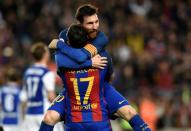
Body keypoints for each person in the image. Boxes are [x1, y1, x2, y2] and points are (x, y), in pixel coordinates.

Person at [41, 4, 151, 131]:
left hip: (100, 86)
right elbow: (63, 62)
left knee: (130, 112)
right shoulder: (66, 34)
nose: (95, 27)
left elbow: (79, 58)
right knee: (49, 117)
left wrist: (61, 46)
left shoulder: (100, 38)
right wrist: (89, 63)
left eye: (96, 22)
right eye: (90, 23)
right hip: (72, 89)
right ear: (79, 24)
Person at [20, 43, 63, 131]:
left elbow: (23, 98)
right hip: (43, 113)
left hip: (29, 114)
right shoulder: (47, 73)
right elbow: (51, 97)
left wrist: (23, 115)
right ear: (45, 55)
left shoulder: (27, 72)